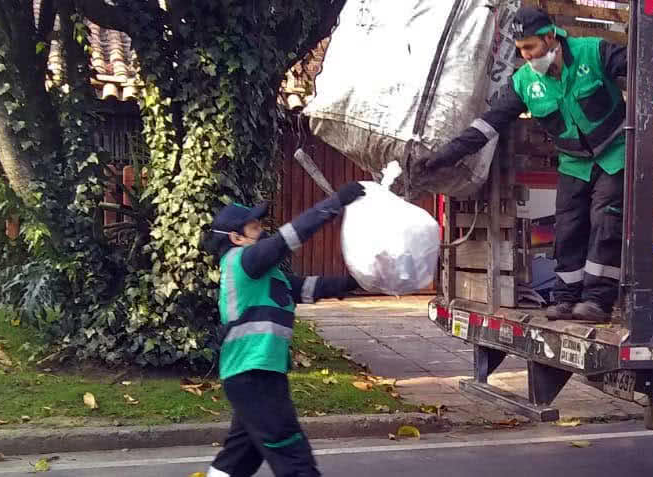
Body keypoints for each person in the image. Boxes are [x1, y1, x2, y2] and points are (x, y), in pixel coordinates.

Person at [415, 7, 627, 322]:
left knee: (604, 221)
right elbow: (488, 125)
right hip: (574, 163)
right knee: (567, 229)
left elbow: (640, 64)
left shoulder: (593, 52)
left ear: (551, 37)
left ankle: (597, 300)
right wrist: (444, 156)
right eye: (520, 50)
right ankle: (566, 299)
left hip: (615, 153)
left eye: (530, 47)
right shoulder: (525, 82)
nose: (526, 56)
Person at [202, 182, 366, 477]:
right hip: (254, 374)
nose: (262, 232)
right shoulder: (243, 262)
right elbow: (286, 240)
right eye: (254, 229)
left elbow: (313, 288)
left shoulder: (268, 276)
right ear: (236, 238)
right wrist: (335, 204)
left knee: (237, 460)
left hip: (254, 374)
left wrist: (364, 280)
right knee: (293, 456)